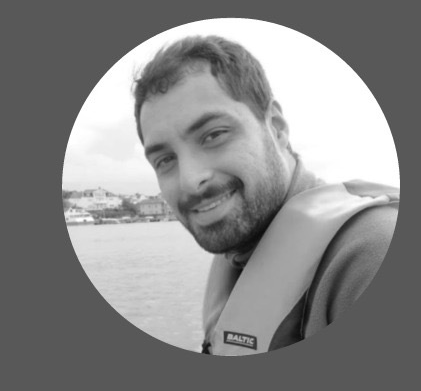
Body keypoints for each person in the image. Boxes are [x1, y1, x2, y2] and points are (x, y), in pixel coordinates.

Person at [133, 35, 399, 355]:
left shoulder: (372, 254)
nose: (190, 180)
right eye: (165, 160)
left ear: (276, 127)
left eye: (214, 135)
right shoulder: (239, 250)